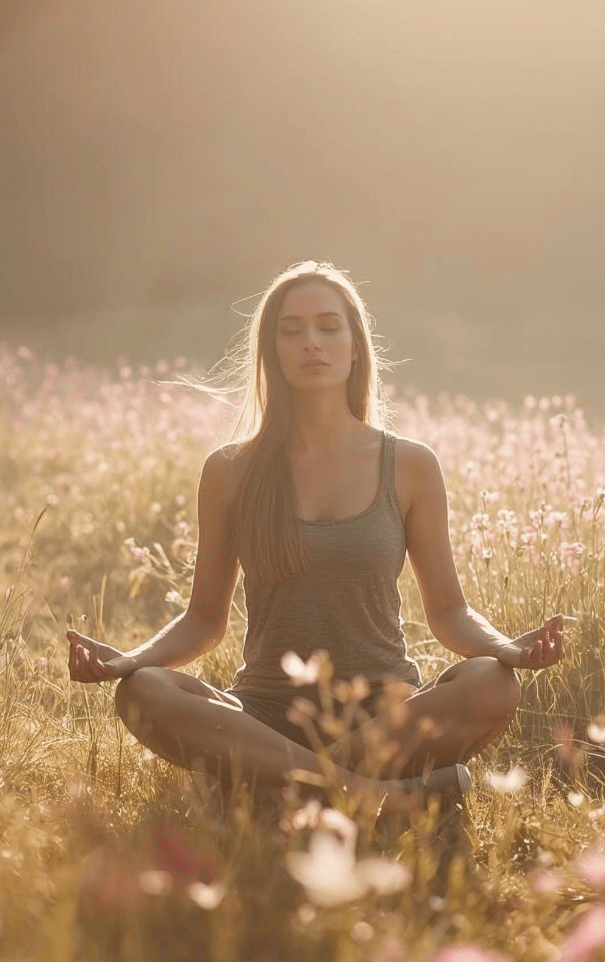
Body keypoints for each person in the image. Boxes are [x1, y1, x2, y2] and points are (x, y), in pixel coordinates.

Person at [66, 260, 565, 810]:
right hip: (267, 714)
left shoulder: (410, 466)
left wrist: (505, 648)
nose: (311, 342)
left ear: (356, 344)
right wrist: (126, 662)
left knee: (492, 683)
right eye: (292, 329)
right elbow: (204, 621)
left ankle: (277, 783)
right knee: (143, 691)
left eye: (329, 326)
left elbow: (448, 612)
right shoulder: (231, 470)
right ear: (271, 350)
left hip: (380, 715)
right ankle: (379, 799)